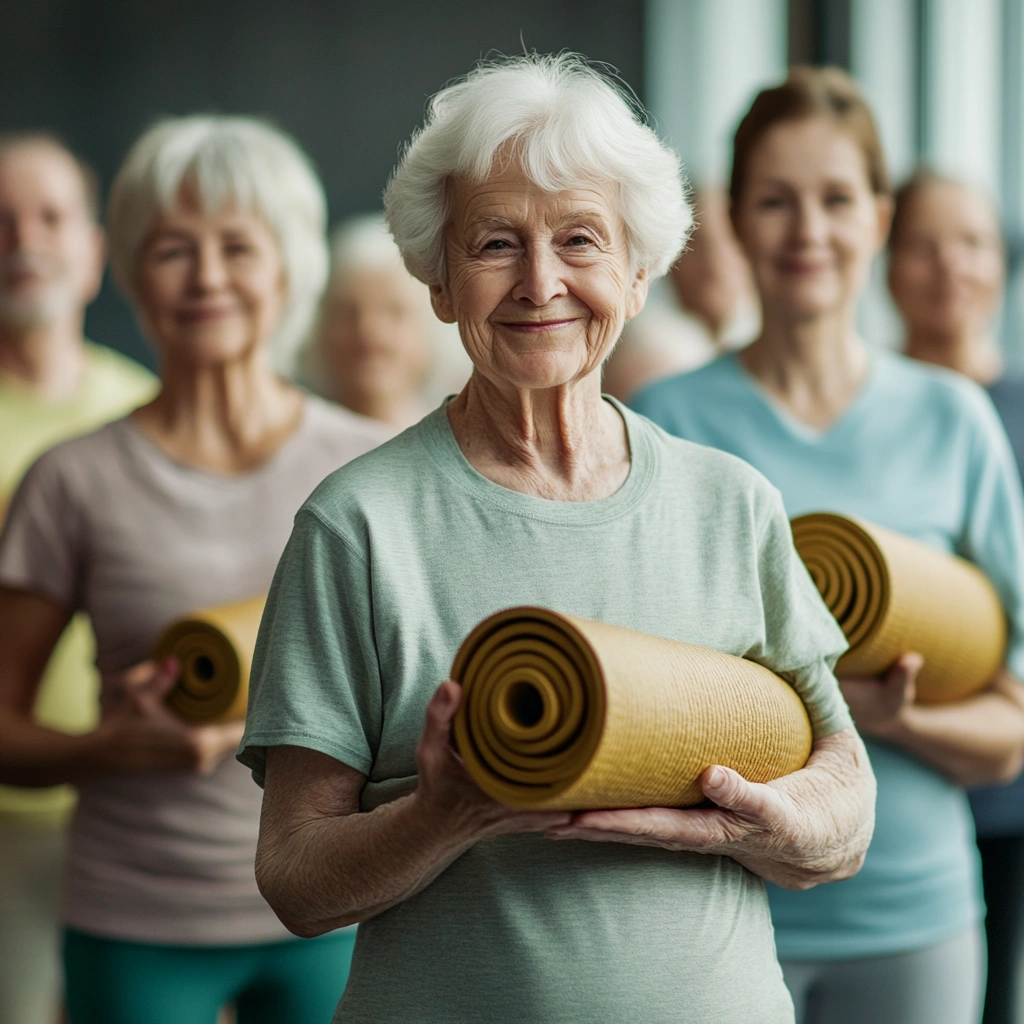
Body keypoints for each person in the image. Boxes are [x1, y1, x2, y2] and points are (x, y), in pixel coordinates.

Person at [239, 53, 876, 1024]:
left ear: (636, 268)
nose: (540, 283)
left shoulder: (731, 502)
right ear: (439, 281)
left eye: (579, 239)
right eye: (495, 243)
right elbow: (294, 874)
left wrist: (748, 824)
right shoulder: (355, 523)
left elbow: (845, 793)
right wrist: (443, 814)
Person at [631, 67, 1024, 1024]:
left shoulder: (954, 420)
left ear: (879, 220)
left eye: (837, 200)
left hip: (914, 921)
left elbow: (1011, 735)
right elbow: (639, 693)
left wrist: (886, 719)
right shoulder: (662, 422)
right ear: (733, 221)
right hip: (711, 915)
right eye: (776, 201)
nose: (809, 231)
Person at [0, 115, 390, 1024]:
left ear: (290, 267)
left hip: (337, 910)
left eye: (237, 247)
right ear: (132, 268)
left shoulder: (371, 466)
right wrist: (106, 747)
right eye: (175, 249)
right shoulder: (71, 479)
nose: (208, 277)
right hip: (136, 920)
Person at [0, 131, 156, 1024]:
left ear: (95, 255)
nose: (26, 239)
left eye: (51, 216)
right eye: (3, 220)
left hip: (134, 804)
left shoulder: (140, 409)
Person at [889, 169, 1024, 1024]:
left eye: (971, 243)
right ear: (889, 261)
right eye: (924, 244)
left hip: (1004, 777)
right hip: (880, 770)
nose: (949, 266)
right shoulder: (868, 411)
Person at [296, 213, 470, 428]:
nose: (370, 331)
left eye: (394, 312)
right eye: (347, 312)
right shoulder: (285, 444)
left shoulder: (466, 444)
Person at [601, 185, 759, 401]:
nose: (714, 263)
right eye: (694, 246)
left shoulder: (753, 325)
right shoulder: (652, 346)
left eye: (728, 242)